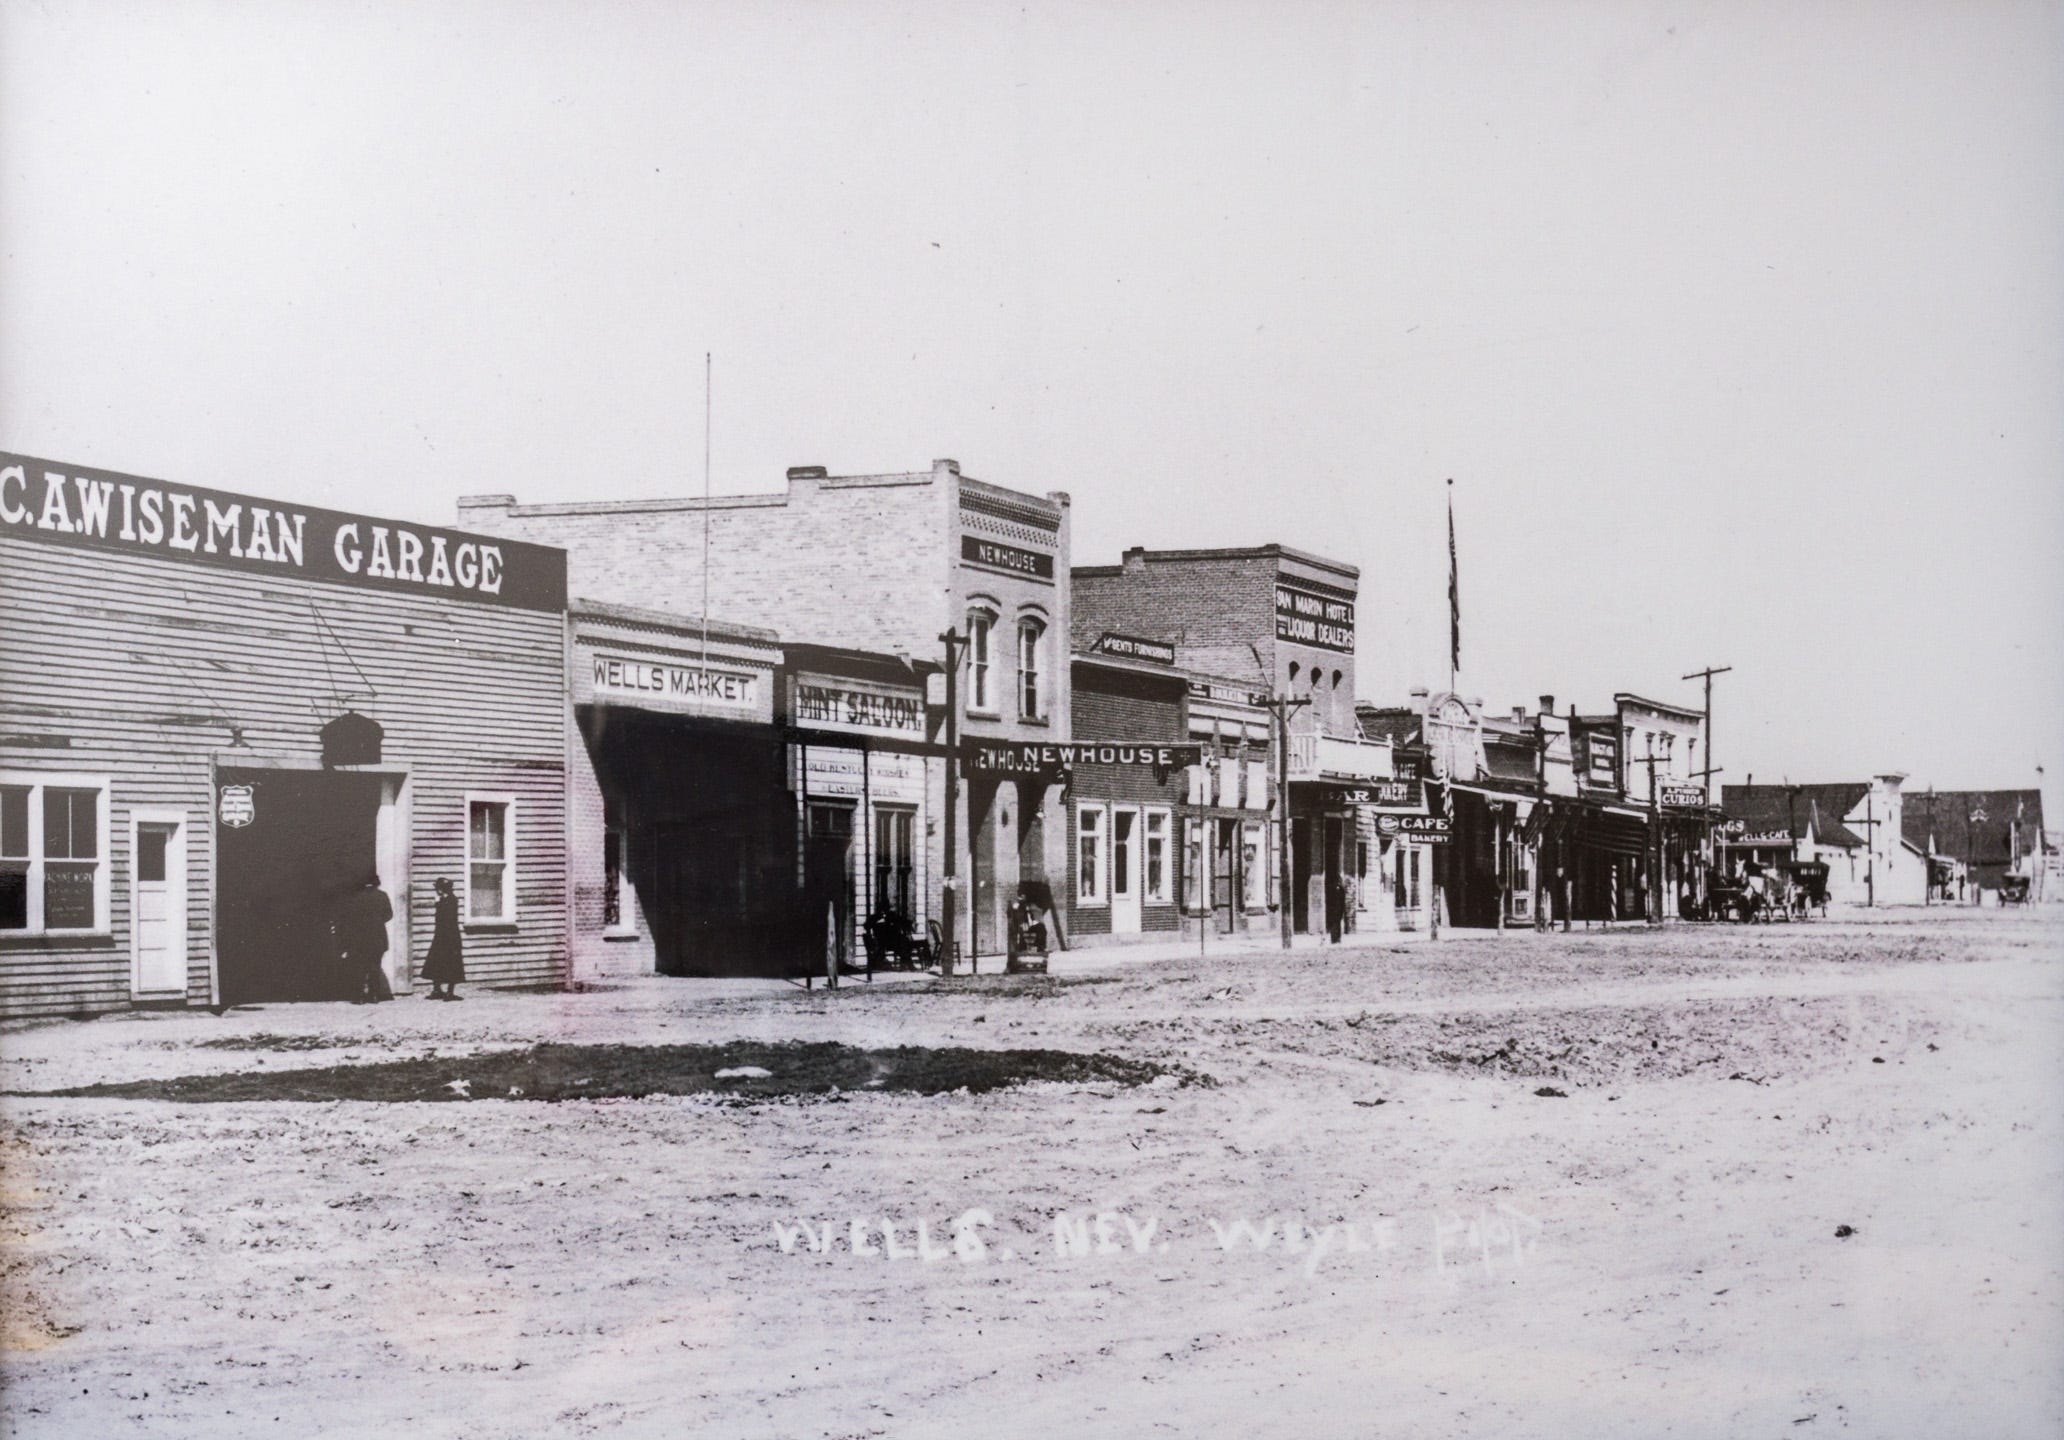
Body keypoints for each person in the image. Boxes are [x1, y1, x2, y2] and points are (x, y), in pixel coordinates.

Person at [344, 873, 394, 1002]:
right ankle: (374, 995)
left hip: (359, 937)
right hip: (377, 936)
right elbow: (389, 915)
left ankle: (359, 996)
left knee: (359, 967)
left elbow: (349, 917)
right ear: (377, 882)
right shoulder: (382, 896)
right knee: (375, 967)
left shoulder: (355, 897)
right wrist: (377, 921)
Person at [422, 876, 465, 1000]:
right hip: (441, 936)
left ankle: (449, 992)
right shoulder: (444, 899)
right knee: (436, 961)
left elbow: (447, 919)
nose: (436, 890)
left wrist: (438, 904)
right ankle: (437, 990)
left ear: (442, 889)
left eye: (438, 888)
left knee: (452, 963)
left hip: (450, 937)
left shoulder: (451, 900)